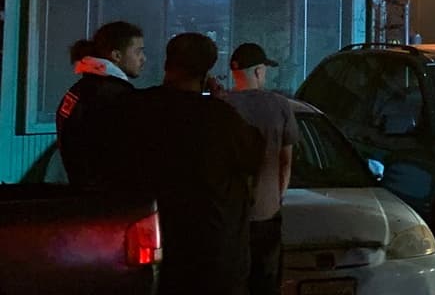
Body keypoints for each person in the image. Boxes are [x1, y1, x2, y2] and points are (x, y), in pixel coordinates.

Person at [113, 33, 265, 295]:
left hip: (151, 244)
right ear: (207, 72)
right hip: (211, 252)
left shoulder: (134, 108)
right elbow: (254, 156)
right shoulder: (219, 118)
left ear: (167, 64)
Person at [222, 43, 299, 295]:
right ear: (257, 72)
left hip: (226, 217)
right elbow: (286, 160)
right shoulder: (279, 106)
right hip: (266, 214)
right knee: (265, 282)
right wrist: (277, 197)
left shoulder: (219, 105)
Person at [56, 21, 145, 187]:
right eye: (138, 51)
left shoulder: (80, 90)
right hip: (108, 199)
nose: (143, 59)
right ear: (116, 55)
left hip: (84, 194)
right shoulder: (115, 97)